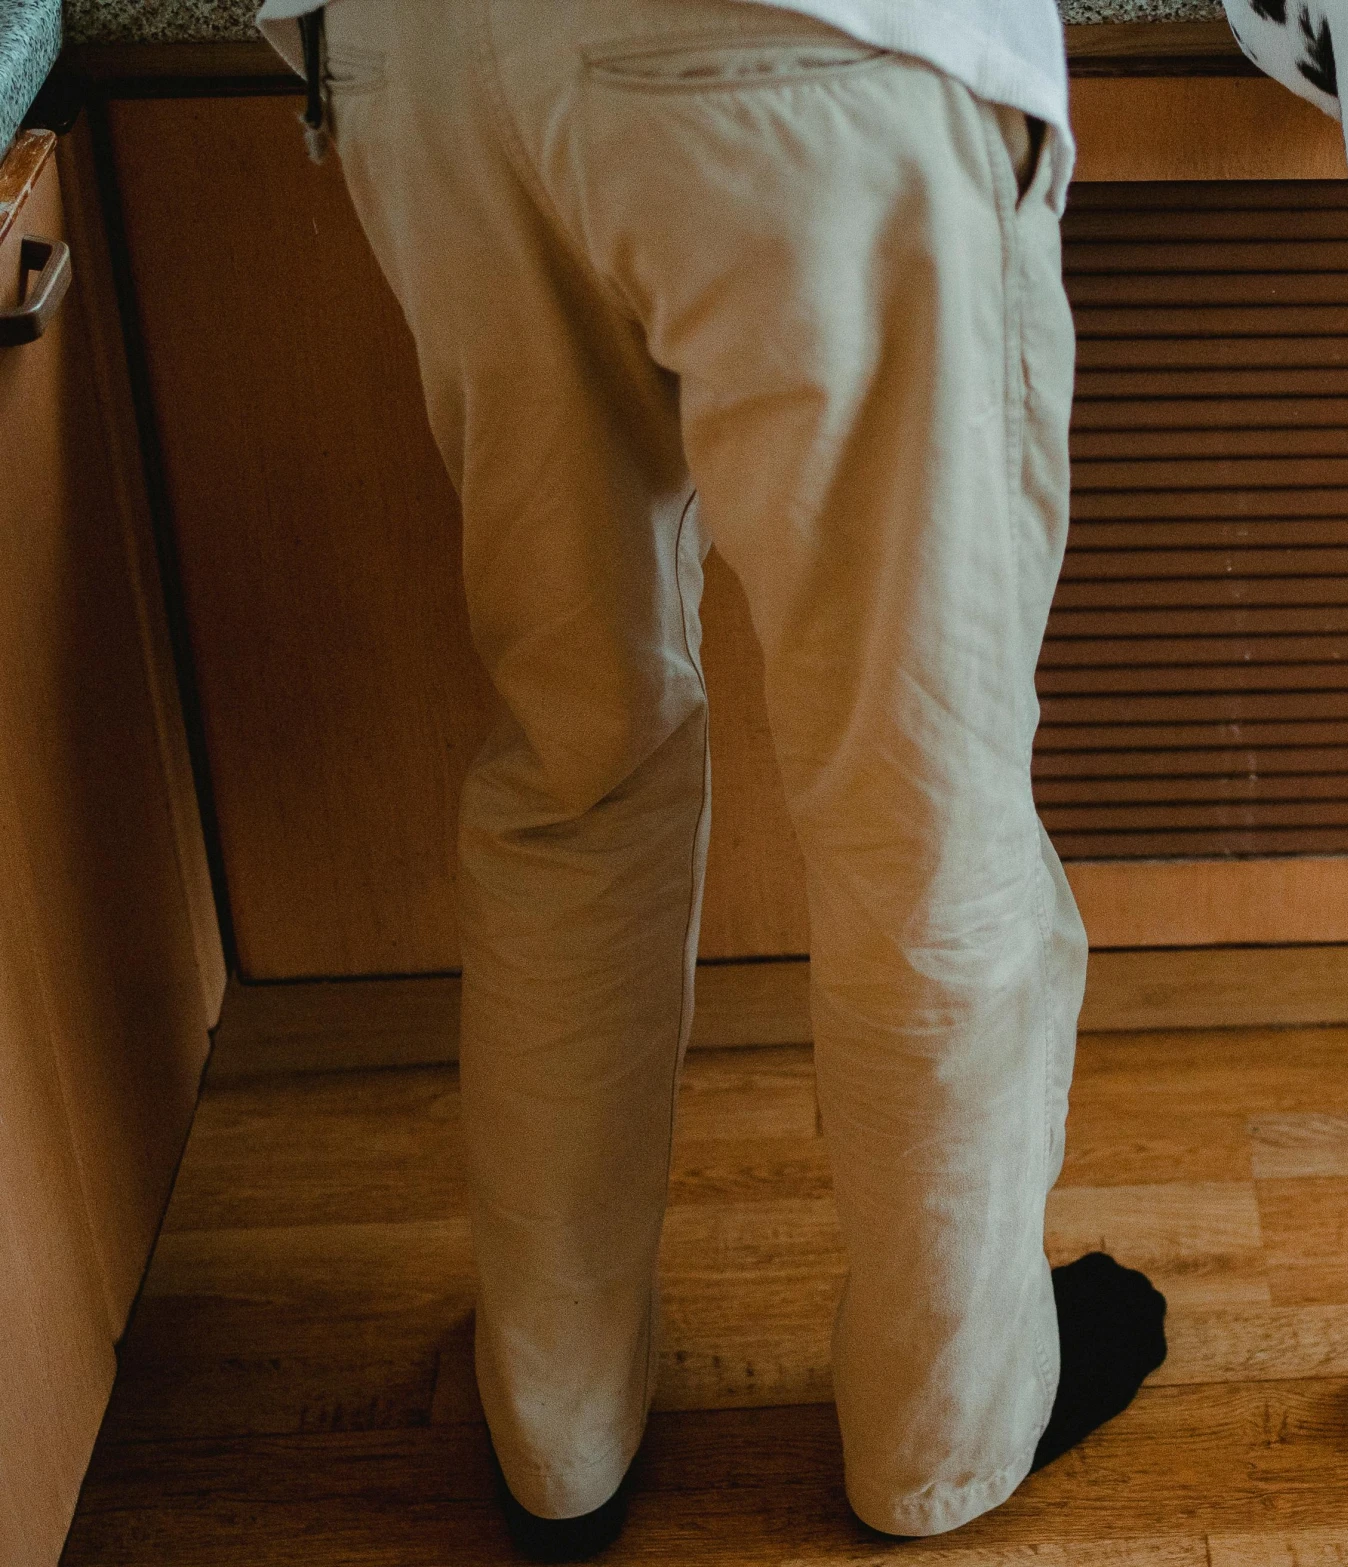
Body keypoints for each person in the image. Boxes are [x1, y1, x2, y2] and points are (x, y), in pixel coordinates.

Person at [250, 0, 1167, 1555]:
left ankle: (557, 1430)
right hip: (796, 42)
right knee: (916, 805)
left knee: (570, 763)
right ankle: (935, 1444)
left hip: (426, 57)